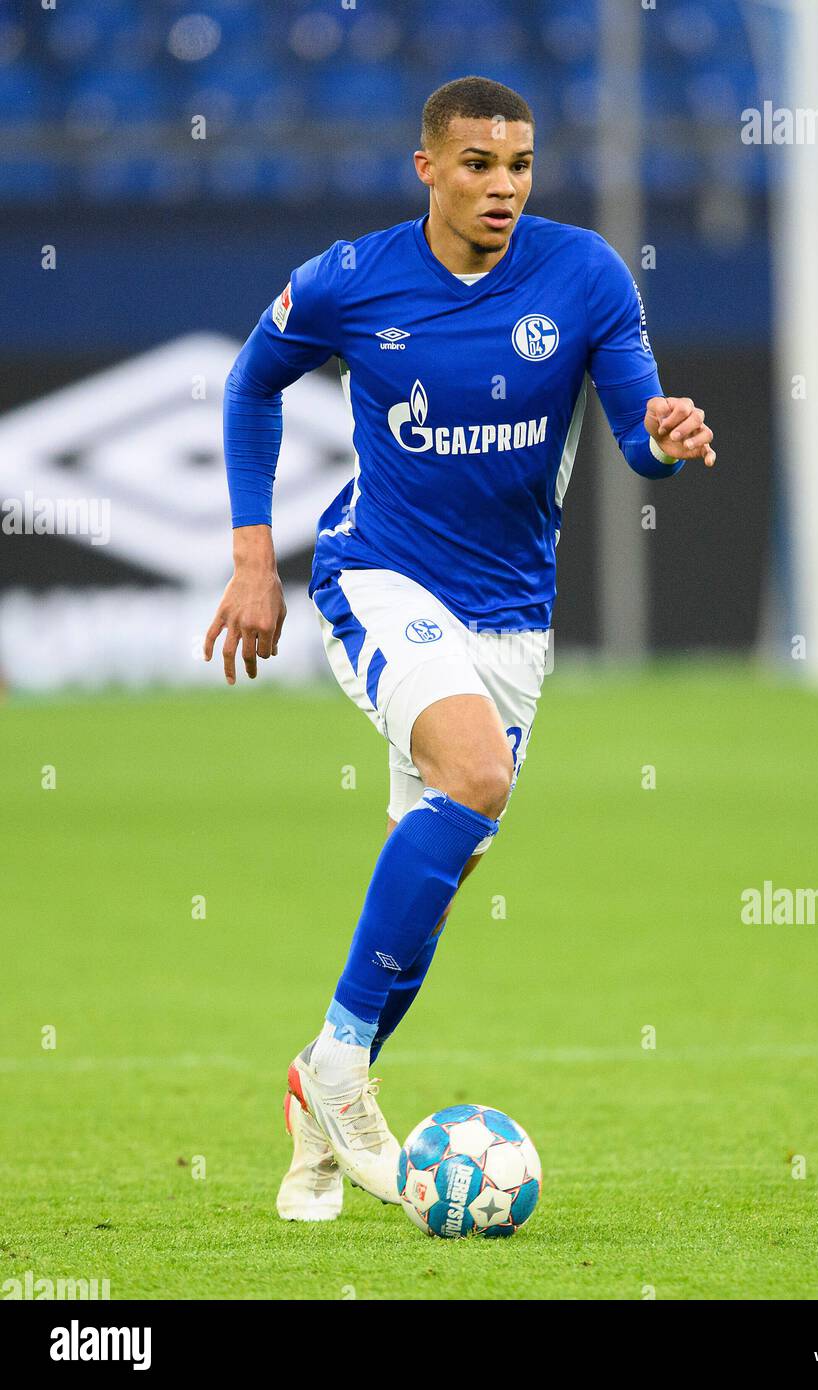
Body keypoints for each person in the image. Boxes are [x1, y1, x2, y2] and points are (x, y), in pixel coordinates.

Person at [204, 75, 715, 1222]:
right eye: (479, 163)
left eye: (521, 164)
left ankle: (312, 1089)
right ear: (427, 166)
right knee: (475, 775)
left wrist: (668, 438)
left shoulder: (583, 275)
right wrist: (251, 556)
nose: (504, 185)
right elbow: (252, 382)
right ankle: (343, 1073)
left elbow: (638, 434)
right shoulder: (353, 278)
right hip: (380, 577)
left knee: (432, 880)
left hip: (510, 624)